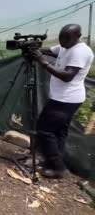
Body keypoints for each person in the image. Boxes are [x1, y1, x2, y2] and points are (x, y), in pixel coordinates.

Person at [29, 24, 94, 178]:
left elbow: (67, 76)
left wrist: (42, 61)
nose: (62, 40)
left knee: (45, 130)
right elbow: (50, 51)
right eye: (61, 37)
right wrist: (34, 48)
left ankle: (58, 167)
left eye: (66, 37)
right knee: (58, 132)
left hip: (66, 99)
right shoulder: (65, 46)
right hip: (63, 98)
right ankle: (52, 162)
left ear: (77, 36)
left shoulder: (80, 51)